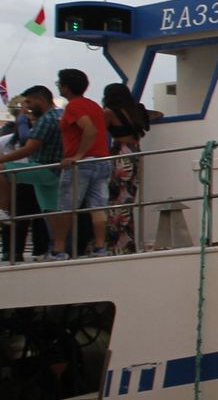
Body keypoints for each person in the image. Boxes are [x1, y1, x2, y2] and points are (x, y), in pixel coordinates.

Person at [46, 69, 111, 258]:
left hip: (83, 165)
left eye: (59, 83)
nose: (58, 85)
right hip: (103, 160)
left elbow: (89, 129)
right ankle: (100, 247)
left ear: (66, 87)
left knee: (66, 207)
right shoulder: (94, 105)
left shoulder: (74, 106)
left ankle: (58, 249)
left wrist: (78, 155)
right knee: (98, 207)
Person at [0, 86, 61, 259]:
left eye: (28, 101)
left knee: (1, 171)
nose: (26, 106)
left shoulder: (45, 120)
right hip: (55, 171)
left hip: (41, 169)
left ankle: (2, 210)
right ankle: (56, 249)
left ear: (39, 100)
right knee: (49, 212)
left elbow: (29, 148)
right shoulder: (59, 116)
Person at [101, 82, 160, 254]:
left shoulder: (109, 112)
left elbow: (101, 132)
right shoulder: (137, 109)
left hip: (120, 153)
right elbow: (156, 115)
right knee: (128, 198)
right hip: (135, 153)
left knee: (116, 200)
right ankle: (128, 242)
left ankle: (116, 245)